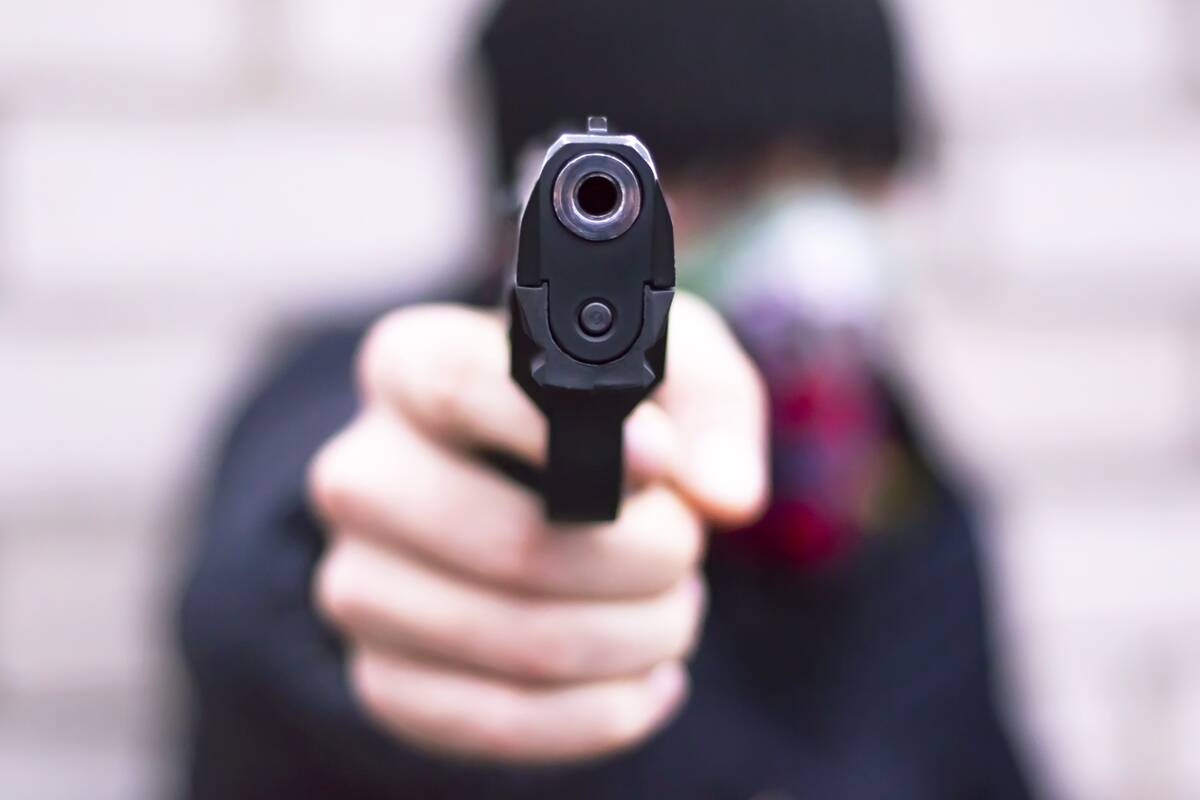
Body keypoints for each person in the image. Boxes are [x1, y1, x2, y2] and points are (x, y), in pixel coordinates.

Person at [178, 1, 1033, 797]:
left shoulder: (895, 473)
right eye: (727, 182)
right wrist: (354, 578)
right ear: (555, 214)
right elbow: (276, 565)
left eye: (851, 172)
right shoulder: (375, 389)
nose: (808, 253)